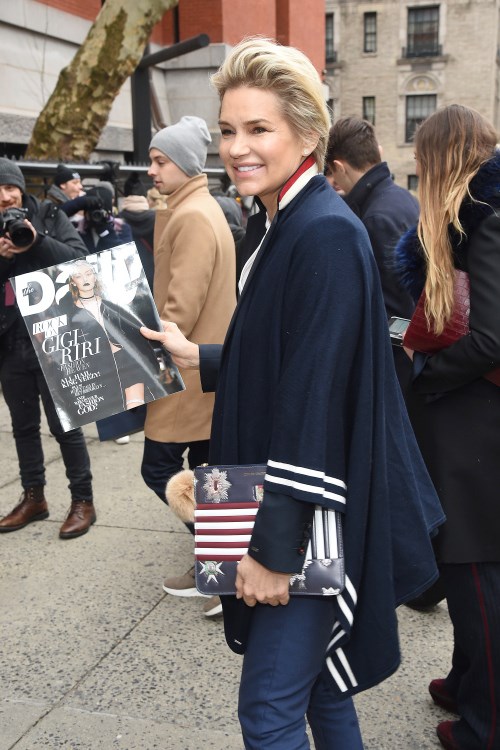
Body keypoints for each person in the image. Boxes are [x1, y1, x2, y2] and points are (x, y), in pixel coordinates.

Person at [140, 37, 444, 749]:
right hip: (272, 493)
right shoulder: (281, 218)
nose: (238, 148)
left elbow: (313, 401)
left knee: (270, 710)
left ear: (308, 134)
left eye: (259, 129)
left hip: (300, 515)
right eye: (228, 130)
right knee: (319, 693)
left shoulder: (323, 233)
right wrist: (204, 355)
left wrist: (273, 551)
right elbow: (294, 355)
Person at [395, 104, 500, 750]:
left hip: (479, 427)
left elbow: (490, 337)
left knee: (477, 578)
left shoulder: (484, 224)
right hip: (475, 422)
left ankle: (486, 727)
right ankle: (468, 682)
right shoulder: (478, 221)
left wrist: (425, 370)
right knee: (471, 576)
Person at [143, 116, 236, 617]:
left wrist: (146, 353)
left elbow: (180, 306)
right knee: (207, 467)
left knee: (157, 466)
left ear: (184, 164)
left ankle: (220, 562)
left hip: (189, 369)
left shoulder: (192, 216)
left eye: (160, 162)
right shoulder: (195, 208)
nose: (152, 171)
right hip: (202, 367)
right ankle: (220, 567)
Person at [0, 158, 96, 539]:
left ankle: (83, 501)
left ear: (21, 189)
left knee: (66, 426)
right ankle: (33, 498)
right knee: (23, 427)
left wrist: (34, 242)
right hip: (10, 344)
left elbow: (80, 261)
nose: (5, 197)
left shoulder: (49, 214)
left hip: (54, 339)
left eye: (10, 187)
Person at [324, 116, 418, 389]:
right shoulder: (402, 198)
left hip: (396, 371)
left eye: (331, 172)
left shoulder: (376, 217)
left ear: (339, 167)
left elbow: (391, 312)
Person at [118, 173, 155, 289]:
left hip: (127, 278)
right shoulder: (158, 219)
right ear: (144, 195)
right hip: (154, 275)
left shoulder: (117, 220)